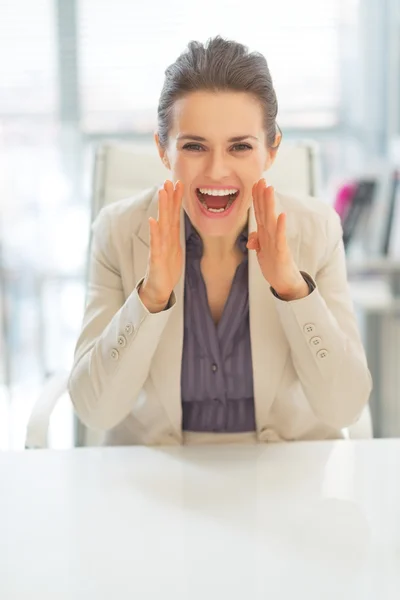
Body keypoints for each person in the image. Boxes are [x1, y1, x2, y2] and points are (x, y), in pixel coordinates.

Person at [68, 36, 372, 446]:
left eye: (240, 147)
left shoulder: (317, 230)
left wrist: (293, 290)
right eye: (194, 146)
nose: (216, 171)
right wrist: (150, 298)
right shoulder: (118, 231)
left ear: (271, 150)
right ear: (162, 150)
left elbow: (345, 408)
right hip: (156, 481)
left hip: (285, 479)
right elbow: (95, 410)